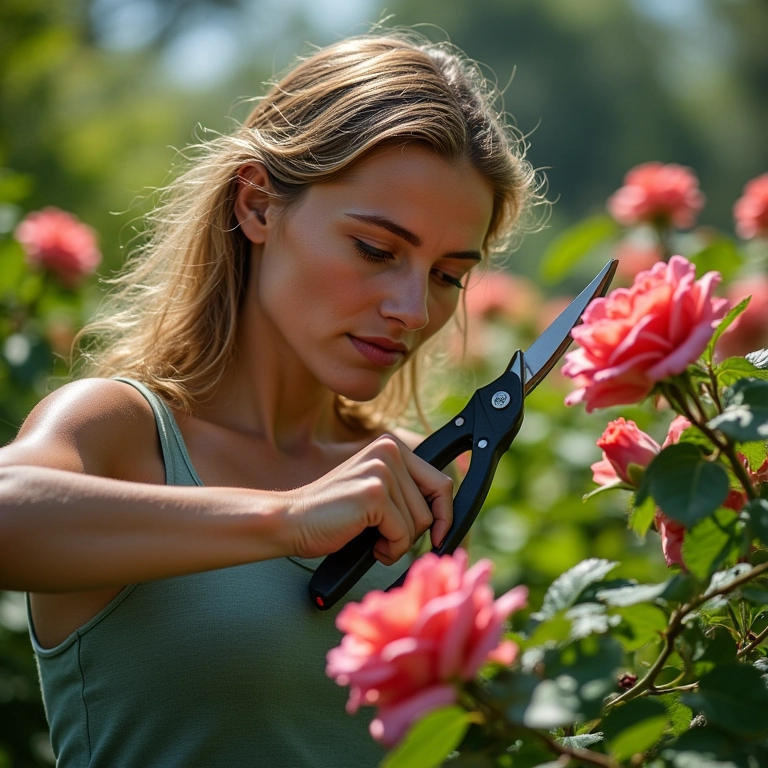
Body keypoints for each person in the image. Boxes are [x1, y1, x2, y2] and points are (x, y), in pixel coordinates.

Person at [0, 29, 540, 767]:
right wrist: (288, 518)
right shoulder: (122, 431)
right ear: (257, 204)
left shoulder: (418, 483)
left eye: (448, 275)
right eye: (376, 250)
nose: (414, 310)